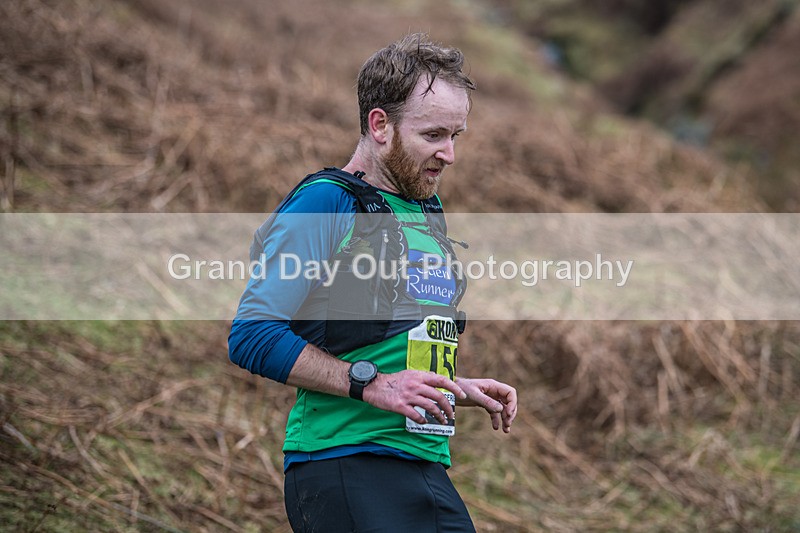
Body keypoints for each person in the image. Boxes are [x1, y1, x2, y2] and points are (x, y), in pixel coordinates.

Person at [229, 33, 517, 532]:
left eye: (456, 136)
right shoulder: (327, 201)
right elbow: (251, 335)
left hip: (425, 463)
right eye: (433, 135)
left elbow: (388, 337)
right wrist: (373, 385)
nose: (449, 154)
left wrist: (451, 387)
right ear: (380, 125)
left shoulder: (427, 212)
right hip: (343, 462)